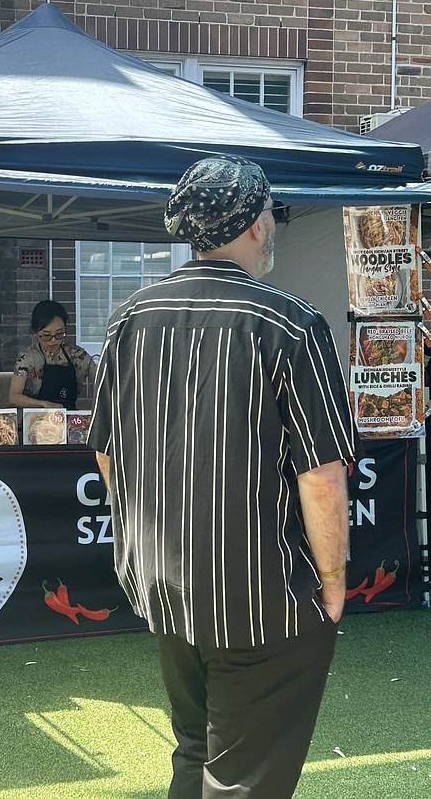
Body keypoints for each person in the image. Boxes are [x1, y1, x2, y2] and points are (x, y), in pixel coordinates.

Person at [88, 155, 357, 799]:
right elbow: (321, 476)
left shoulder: (132, 318)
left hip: (163, 582)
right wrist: (335, 582)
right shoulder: (290, 325)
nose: (275, 226)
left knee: (197, 747)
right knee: (245, 777)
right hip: (265, 595)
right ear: (257, 223)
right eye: (272, 214)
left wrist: (144, 540)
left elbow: (105, 452)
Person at [9, 299, 96, 409]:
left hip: (69, 419)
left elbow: (101, 378)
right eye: (46, 335)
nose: (53, 341)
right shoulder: (28, 359)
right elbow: (14, 397)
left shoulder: (77, 355)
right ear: (36, 333)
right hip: (35, 419)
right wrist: (43, 404)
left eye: (59, 334)